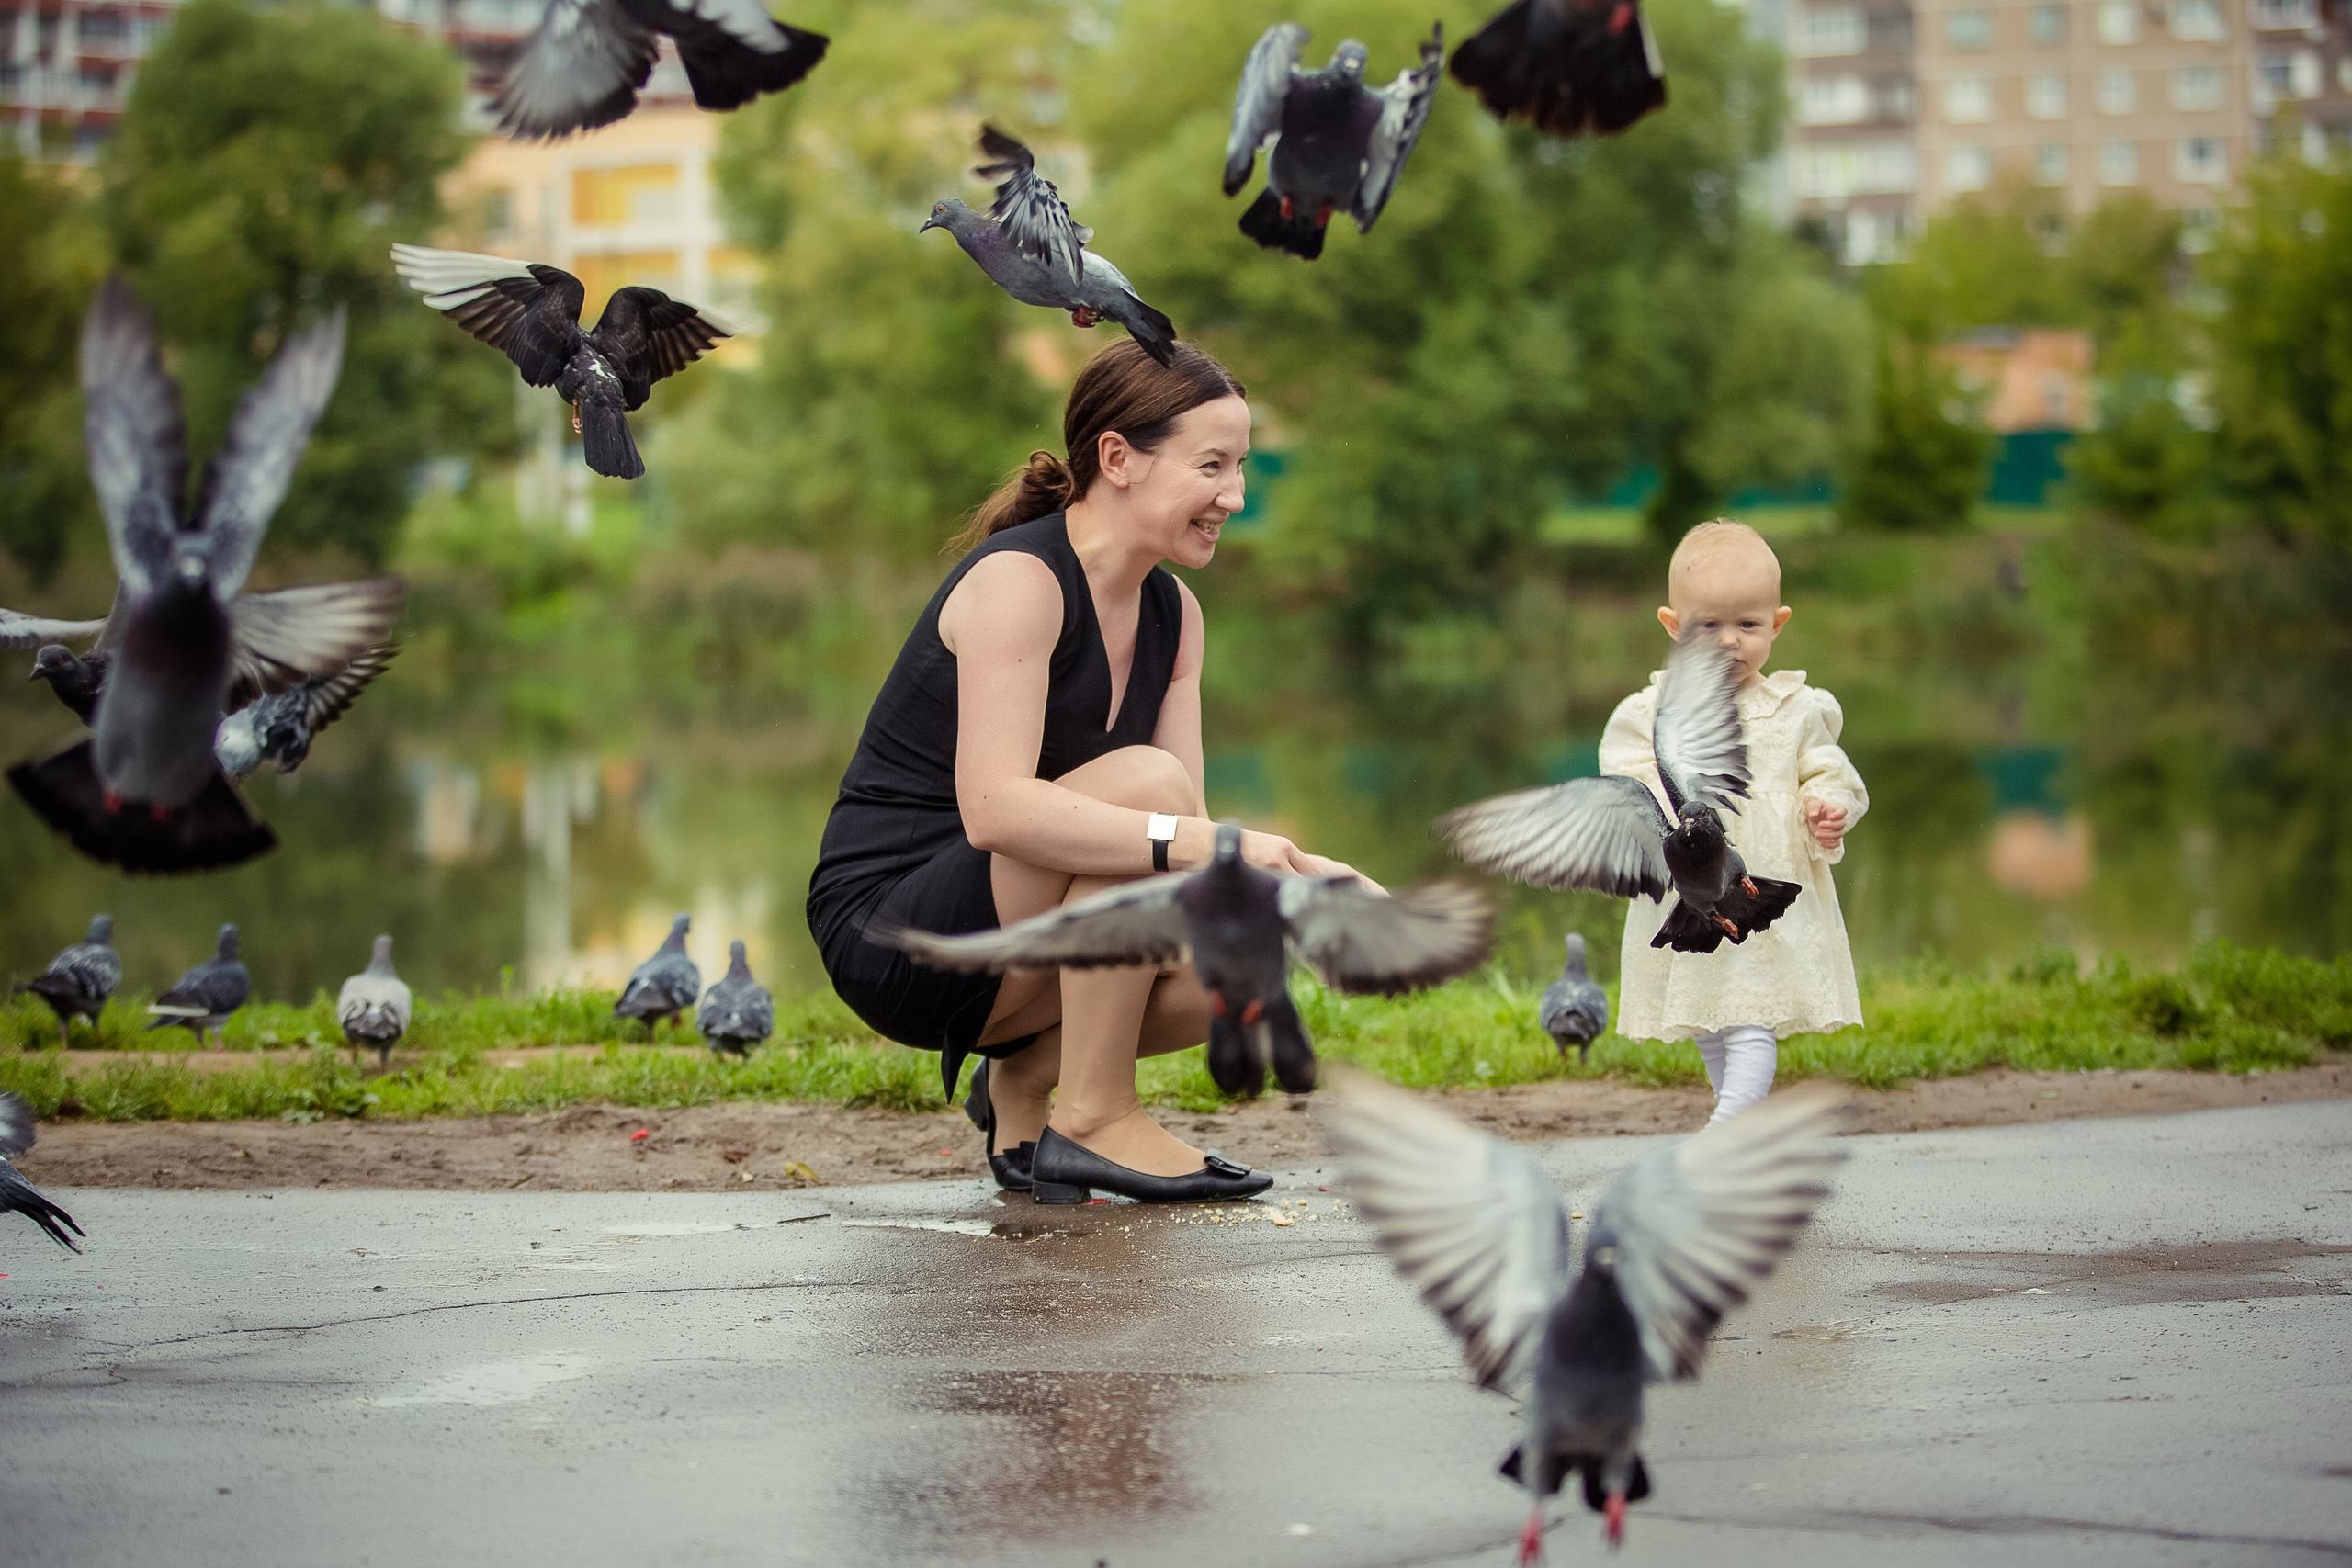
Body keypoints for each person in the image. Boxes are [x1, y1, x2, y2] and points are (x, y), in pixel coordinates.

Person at [807, 338, 1364, 1201]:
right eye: (1211, 465)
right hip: (896, 931)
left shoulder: (1176, 614)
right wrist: (1217, 845)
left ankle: (1024, 1082)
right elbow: (995, 810)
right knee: (1147, 791)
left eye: (1241, 466)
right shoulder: (1020, 581)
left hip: (1015, 940)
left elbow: (1185, 852)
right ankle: (1096, 1116)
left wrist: (1304, 876)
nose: (1235, 495)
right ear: (1118, 458)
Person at [1598, 520, 1869, 1125]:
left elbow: (1829, 771)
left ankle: (1720, 1141)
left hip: (1760, 895)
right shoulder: (1650, 714)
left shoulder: (1794, 709)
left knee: (1750, 1022)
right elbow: (1628, 783)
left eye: (1747, 624)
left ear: (1778, 623)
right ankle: (1738, 1137)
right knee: (1712, 1025)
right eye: (1708, 626)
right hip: (1691, 895)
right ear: (1673, 626)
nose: (1728, 641)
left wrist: (1828, 806)